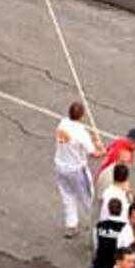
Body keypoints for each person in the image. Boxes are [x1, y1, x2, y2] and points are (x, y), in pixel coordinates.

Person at [54, 102, 105, 238]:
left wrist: (93, 141)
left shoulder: (62, 124)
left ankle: (71, 225)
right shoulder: (81, 133)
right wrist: (102, 151)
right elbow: (93, 154)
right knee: (89, 198)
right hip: (76, 170)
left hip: (61, 167)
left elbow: (84, 142)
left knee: (67, 195)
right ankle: (98, 227)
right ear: (82, 116)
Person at [93, 198, 126, 268]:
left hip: (100, 263)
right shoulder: (124, 228)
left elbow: (95, 244)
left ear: (108, 209)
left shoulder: (99, 226)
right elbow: (124, 247)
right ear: (121, 210)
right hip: (115, 265)